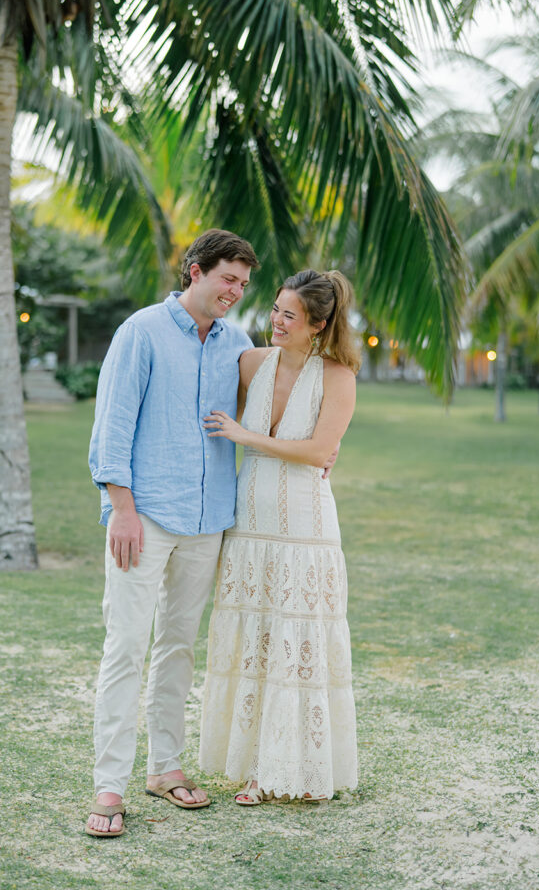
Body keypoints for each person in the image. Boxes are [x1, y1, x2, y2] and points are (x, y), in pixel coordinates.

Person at [85, 229, 260, 837]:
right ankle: (109, 786)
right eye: (226, 279)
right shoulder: (142, 331)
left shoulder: (238, 343)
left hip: (208, 520)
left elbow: (280, 400)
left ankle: (164, 768)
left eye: (243, 283)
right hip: (146, 516)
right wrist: (123, 508)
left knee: (178, 648)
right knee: (126, 646)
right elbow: (112, 426)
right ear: (195, 272)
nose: (235, 292)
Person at [199, 269, 360, 804]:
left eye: (289, 316)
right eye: (274, 310)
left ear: (316, 325)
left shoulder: (338, 376)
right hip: (251, 525)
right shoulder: (253, 362)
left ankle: (289, 770)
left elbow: (318, 452)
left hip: (306, 529)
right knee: (257, 643)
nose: (276, 322)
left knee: (297, 645)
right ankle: (253, 767)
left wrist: (246, 435)